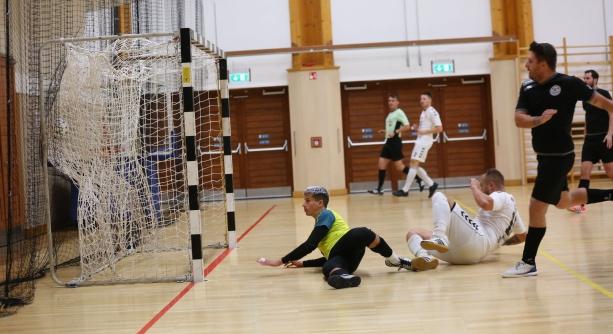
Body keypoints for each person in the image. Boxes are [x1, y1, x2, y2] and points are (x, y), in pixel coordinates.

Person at [502, 41, 613, 278]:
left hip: (559, 156)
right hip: (544, 157)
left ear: (543, 63)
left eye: (530, 61)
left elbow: (603, 104)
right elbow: (518, 119)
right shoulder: (528, 87)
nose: (526, 65)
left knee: (536, 206)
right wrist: (538, 120)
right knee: (564, 202)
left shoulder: (569, 84)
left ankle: (528, 262)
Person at [257, 186, 412, 289]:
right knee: (328, 267)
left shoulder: (326, 214)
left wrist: (280, 261)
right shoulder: (320, 224)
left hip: (348, 242)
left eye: (307, 201)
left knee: (362, 232)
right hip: (347, 258)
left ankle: (395, 260)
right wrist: (302, 264)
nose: (303, 205)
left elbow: (310, 244)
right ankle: (343, 276)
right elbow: (326, 257)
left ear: (320, 203)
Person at [404, 169, 526, 271]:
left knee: (440, 196)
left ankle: (439, 237)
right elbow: (522, 236)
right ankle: (424, 257)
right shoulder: (513, 212)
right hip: (467, 254)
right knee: (413, 233)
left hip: (477, 240)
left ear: (491, 185)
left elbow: (485, 203)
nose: (480, 187)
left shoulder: (502, 195)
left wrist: (474, 187)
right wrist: (502, 242)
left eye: (481, 185)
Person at [568, 69, 613, 213]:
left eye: (587, 78)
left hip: (604, 139)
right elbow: (589, 117)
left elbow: (612, 113)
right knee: (584, 172)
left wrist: (610, 134)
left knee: (610, 171)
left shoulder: (604, 94)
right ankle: (580, 205)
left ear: (595, 80)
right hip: (590, 140)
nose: (585, 80)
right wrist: (585, 133)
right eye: (584, 78)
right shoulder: (585, 98)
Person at [368, 93, 424, 195]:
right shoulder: (390, 114)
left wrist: (396, 131)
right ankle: (379, 189)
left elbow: (407, 126)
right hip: (388, 142)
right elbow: (391, 129)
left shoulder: (399, 112)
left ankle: (419, 179)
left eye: (393, 100)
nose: (391, 102)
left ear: (397, 102)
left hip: (395, 143)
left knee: (399, 167)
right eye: (389, 101)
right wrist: (385, 131)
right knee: (381, 164)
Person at [393, 92, 442, 198]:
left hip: (425, 141)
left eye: (424, 99)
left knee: (414, 164)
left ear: (430, 100)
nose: (421, 101)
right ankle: (431, 184)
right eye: (421, 99)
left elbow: (439, 128)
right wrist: (417, 128)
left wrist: (424, 132)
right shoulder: (423, 112)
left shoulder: (432, 112)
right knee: (413, 164)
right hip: (420, 140)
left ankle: (405, 190)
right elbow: (424, 127)